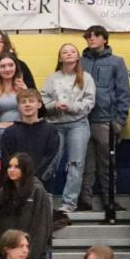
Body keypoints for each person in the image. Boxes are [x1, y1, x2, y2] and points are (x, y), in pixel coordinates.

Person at [44, 43, 96, 215]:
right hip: (54, 125)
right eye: (64, 52)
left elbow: (89, 102)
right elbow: (42, 99)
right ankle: (47, 200)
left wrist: (71, 107)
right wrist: (54, 105)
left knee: (75, 164)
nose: (68, 54)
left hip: (78, 124)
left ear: (77, 56)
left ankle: (69, 203)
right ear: (60, 58)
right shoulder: (52, 78)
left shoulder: (86, 78)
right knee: (51, 163)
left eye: (72, 51)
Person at [0, 152, 54, 259]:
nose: (11, 170)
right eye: (9, 166)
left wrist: (29, 258)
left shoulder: (37, 191)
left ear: (25, 169)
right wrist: (3, 254)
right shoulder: (2, 192)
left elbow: (41, 229)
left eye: (16, 167)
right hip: (7, 258)